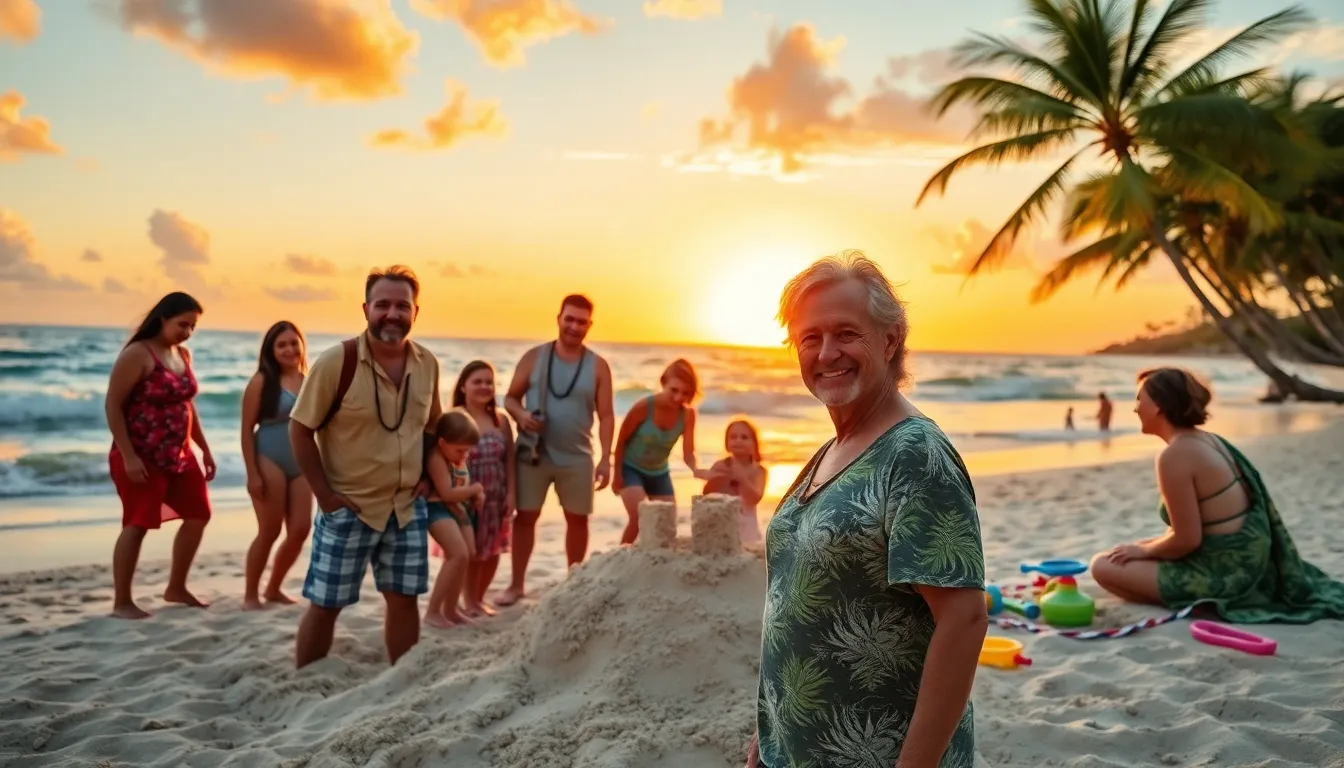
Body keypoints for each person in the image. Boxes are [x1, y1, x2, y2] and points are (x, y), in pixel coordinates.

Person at [747, 251, 986, 768]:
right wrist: (764, 740)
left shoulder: (914, 454)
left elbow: (964, 619)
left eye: (846, 333)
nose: (827, 352)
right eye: (810, 338)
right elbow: (792, 606)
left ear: (891, 338)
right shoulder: (833, 449)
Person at [1089, 368, 1344, 621]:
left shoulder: (1175, 455)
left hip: (1227, 574)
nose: (1135, 409)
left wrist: (1144, 553)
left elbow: (1187, 540)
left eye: (1139, 400)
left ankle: (1204, 603)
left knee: (1101, 566)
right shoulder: (1208, 440)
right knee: (1126, 551)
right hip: (1248, 559)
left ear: (1158, 406)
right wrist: (1143, 548)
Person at [289, 266, 443, 668]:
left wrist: (429, 475)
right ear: (366, 309)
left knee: (404, 598)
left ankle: (401, 680)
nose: (392, 314)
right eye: (383, 305)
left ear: (415, 312)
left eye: (402, 306)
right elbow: (300, 429)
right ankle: (305, 679)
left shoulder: (428, 364)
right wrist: (324, 495)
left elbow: (431, 429)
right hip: (350, 507)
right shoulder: (336, 362)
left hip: (407, 506)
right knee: (326, 603)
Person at [105, 292, 216, 620]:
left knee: (199, 514)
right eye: (183, 324)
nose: (187, 332)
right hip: (143, 455)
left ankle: (176, 587)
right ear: (162, 318)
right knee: (137, 523)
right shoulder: (138, 354)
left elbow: (187, 405)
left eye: (193, 327)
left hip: (180, 455)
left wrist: (204, 448)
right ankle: (122, 602)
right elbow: (113, 405)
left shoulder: (183, 354)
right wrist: (128, 456)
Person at [498, 294, 615, 607]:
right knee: (525, 518)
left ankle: (573, 583)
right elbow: (509, 398)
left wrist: (606, 458)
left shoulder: (598, 366)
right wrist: (521, 416)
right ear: (559, 318)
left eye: (581, 321)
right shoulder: (534, 357)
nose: (574, 326)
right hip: (533, 454)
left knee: (578, 520)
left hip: (577, 457)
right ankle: (516, 585)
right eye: (569, 319)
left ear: (589, 325)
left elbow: (606, 415)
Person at [240, 321, 312, 610]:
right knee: (269, 531)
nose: (289, 349)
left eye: (294, 343)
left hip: (302, 463)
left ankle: (273, 588)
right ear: (271, 350)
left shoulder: (310, 381)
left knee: (300, 529)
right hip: (268, 458)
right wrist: (252, 473)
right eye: (281, 344)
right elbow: (246, 430)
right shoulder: (261, 381)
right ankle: (250, 595)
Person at [611, 359, 707, 544]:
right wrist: (616, 477)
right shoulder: (644, 407)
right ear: (664, 383)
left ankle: (656, 561)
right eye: (674, 390)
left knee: (666, 522)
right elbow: (621, 441)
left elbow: (688, 453)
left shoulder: (688, 414)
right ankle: (622, 557)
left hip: (658, 473)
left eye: (686, 393)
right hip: (630, 468)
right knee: (640, 516)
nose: (679, 398)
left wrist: (696, 469)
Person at [451, 360, 516, 617]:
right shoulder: (454, 417)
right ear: (464, 386)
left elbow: (510, 459)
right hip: (465, 495)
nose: (484, 386)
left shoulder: (501, 421)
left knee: (492, 550)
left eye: (489, 382)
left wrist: (512, 494)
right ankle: (466, 601)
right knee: (470, 551)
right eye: (477, 381)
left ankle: (477, 599)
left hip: (496, 493)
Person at [423, 410, 484, 628]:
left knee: (468, 555)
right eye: (460, 450)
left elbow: (463, 486)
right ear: (442, 442)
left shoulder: (457, 457)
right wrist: (474, 489)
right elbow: (447, 493)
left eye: (468, 451)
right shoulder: (436, 459)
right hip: (437, 508)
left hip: (459, 509)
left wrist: (477, 494)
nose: (464, 455)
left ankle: (451, 610)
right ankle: (433, 611)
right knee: (456, 554)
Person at [701, 418, 768, 546]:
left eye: (744, 437)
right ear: (726, 444)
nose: (738, 441)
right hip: (723, 521)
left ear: (754, 444)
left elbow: (756, 498)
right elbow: (706, 494)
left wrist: (742, 479)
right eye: (733, 437)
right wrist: (715, 478)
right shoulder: (721, 465)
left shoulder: (759, 470)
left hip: (747, 525)